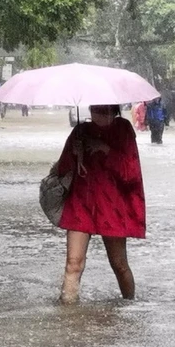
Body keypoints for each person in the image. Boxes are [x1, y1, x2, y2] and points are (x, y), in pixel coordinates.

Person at [55, 104, 145, 304]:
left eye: (105, 111)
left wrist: (105, 149)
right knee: (73, 263)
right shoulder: (80, 131)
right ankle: (68, 315)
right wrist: (74, 152)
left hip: (113, 204)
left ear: (114, 110)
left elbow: (131, 174)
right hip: (81, 202)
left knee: (119, 264)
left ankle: (130, 304)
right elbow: (63, 169)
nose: (99, 115)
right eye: (95, 110)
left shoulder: (123, 130)